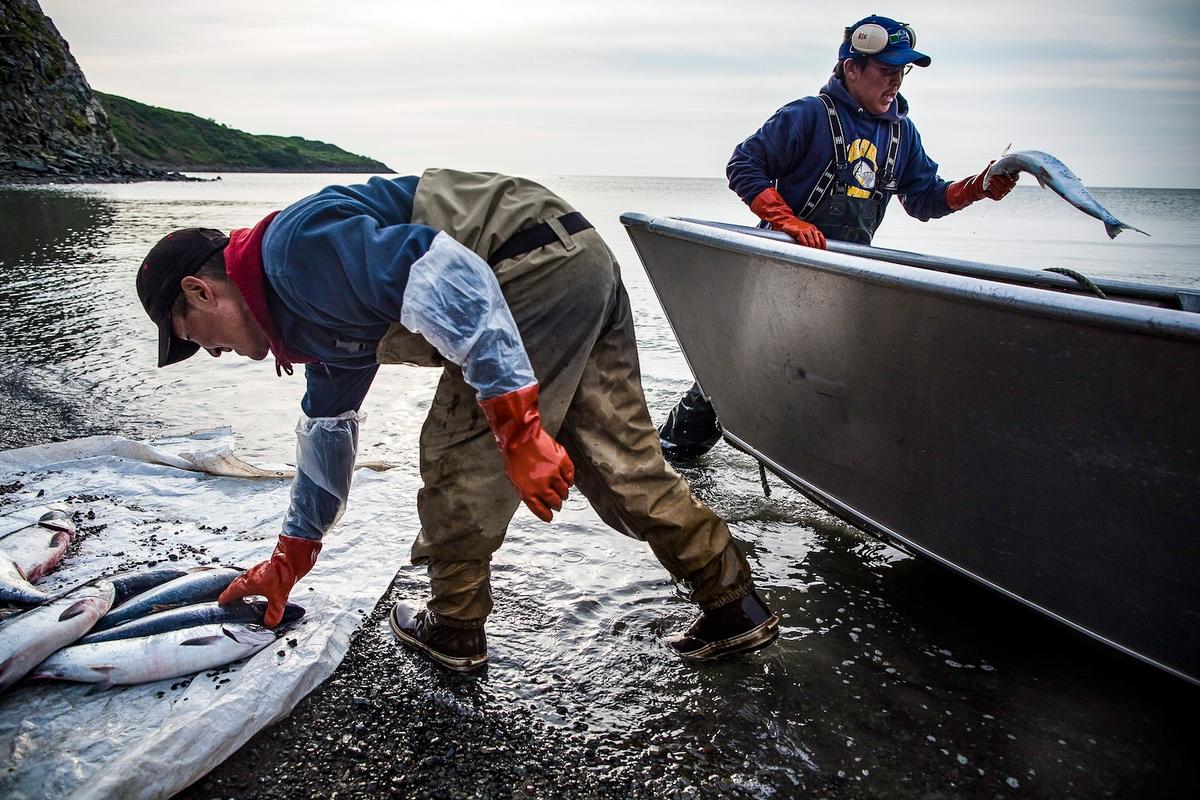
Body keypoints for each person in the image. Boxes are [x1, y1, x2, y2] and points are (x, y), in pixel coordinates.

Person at [134, 169, 780, 672]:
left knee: (456, 456)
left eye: (191, 336)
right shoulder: (308, 320)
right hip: (573, 254)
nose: (207, 352)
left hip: (520, 266)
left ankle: (454, 627)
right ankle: (731, 603)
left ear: (200, 290)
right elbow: (327, 440)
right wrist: (288, 559)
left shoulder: (296, 254)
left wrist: (519, 429)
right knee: (620, 462)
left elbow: (452, 276)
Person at [658, 14, 1019, 460]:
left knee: (834, 382)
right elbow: (743, 165)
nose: (895, 84)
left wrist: (978, 188)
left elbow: (925, 199)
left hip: (844, 283)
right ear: (852, 68)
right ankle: (673, 458)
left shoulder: (902, 134)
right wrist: (787, 220)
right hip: (779, 272)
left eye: (902, 73)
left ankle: (840, 479)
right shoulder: (808, 116)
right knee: (734, 375)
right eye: (886, 71)